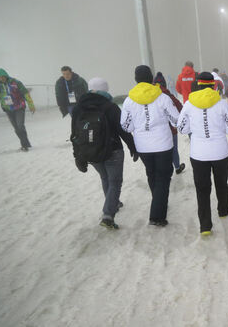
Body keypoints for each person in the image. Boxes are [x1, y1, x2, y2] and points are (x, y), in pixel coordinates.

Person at [71, 77, 137, 229]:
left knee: (105, 177)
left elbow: (75, 134)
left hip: (90, 152)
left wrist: (78, 156)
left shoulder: (78, 108)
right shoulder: (110, 106)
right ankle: (108, 215)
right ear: (105, 90)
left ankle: (113, 202)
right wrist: (133, 147)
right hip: (113, 150)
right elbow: (123, 130)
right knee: (115, 181)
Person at [177, 72, 228, 236]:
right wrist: (219, 129)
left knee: (202, 189)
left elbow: (181, 128)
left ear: (198, 84)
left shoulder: (189, 104)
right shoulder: (222, 104)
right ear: (213, 85)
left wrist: (194, 130)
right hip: (220, 152)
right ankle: (223, 210)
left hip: (198, 154)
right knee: (221, 183)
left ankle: (205, 226)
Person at [121, 65, 180, 227]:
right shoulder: (162, 97)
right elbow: (176, 120)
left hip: (143, 146)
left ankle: (158, 201)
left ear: (135, 79)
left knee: (152, 174)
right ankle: (157, 215)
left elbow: (126, 126)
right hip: (163, 144)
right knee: (163, 177)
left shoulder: (129, 100)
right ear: (151, 78)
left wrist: (139, 126)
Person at [0, 68, 35, 151]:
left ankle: (24, 146)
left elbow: (25, 92)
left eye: (3, 76)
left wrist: (31, 105)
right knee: (17, 128)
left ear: (6, 75)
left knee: (20, 126)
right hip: (8, 109)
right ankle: (26, 143)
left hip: (19, 107)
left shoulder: (15, 82)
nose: (1, 78)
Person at [154, 72, 185, 174]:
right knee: (173, 149)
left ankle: (163, 170)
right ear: (164, 84)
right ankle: (177, 167)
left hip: (156, 130)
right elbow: (180, 107)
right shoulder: (168, 95)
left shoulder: (150, 96)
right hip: (171, 129)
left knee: (160, 152)